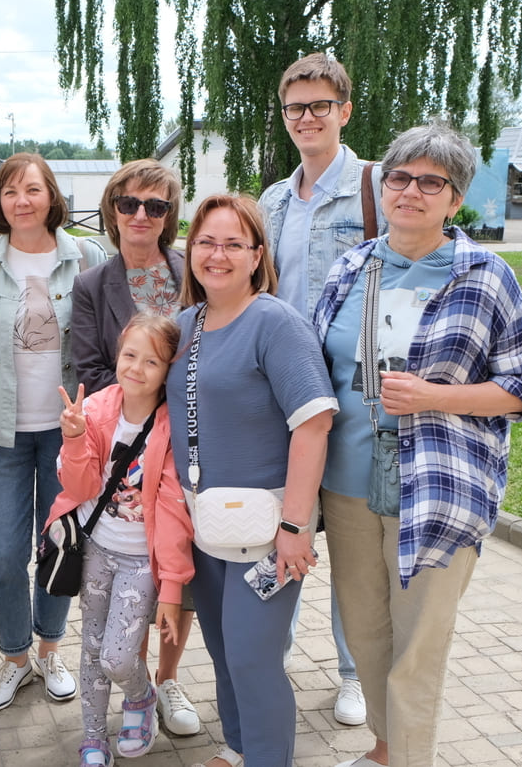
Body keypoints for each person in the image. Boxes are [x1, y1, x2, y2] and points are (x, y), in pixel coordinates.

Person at [314, 124, 522, 767]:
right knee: (365, 632)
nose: (410, 191)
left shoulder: (487, 276)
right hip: (348, 484)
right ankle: (389, 748)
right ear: (382, 186)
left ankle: (407, 758)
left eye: (431, 182)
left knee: (418, 642)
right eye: (398, 177)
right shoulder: (351, 268)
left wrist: (436, 397)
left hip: (441, 487)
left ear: (455, 199)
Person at [165, 194, 337, 767]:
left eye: (233, 244)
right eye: (206, 242)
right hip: (203, 523)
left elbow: (313, 425)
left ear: (257, 254)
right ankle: (238, 746)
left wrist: (295, 526)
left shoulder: (275, 323)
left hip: (265, 529)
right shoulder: (186, 324)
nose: (217, 255)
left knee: (252, 657)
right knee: (221, 649)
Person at [0, 152, 106, 712]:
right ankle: (15, 657)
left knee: (59, 546)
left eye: (32, 190)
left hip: (68, 437)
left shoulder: (86, 257)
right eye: (10, 191)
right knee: (3, 553)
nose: (22, 200)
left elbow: (104, 350)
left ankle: (50, 649)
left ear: (51, 196)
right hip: (0, 435)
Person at [258, 52, 382, 727]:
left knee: (356, 548)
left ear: (344, 111)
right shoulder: (275, 199)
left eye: (319, 106)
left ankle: (354, 672)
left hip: (354, 398)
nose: (306, 119)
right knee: (285, 528)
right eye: (294, 108)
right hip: (283, 400)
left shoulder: (377, 186)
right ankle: (266, 660)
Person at [70, 158, 200, 736]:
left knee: (180, 566)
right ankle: (135, 683)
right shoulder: (93, 284)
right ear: (112, 209)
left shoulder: (190, 271)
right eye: (129, 203)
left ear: (170, 215)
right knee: (132, 570)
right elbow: (92, 367)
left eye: (156, 205)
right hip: (130, 441)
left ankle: (166, 683)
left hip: (195, 437)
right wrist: (140, 408)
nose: (141, 215)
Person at [47, 313, 194, 767]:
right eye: (130, 355)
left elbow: (173, 516)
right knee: (91, 648)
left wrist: (171, 587)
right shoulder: (94, 410)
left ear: (169, 368)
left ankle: (141, 696)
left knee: (116, 656)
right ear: (117, 354)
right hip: (95, 550)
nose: (137, 368)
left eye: (152, 361)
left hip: (141, 562)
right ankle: (93, 737)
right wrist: (73, 438)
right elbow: (80, 487)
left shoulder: (172, 428)